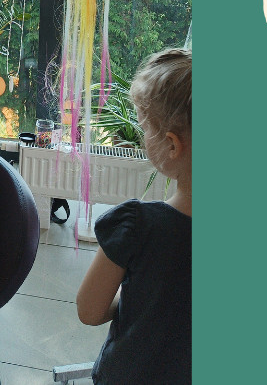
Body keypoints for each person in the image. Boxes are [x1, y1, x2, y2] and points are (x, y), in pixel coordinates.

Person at [77, 48, 192, 385]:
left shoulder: (137, 226)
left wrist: (141, 302)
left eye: (144, 128)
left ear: (171, 145)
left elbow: (90, 310)